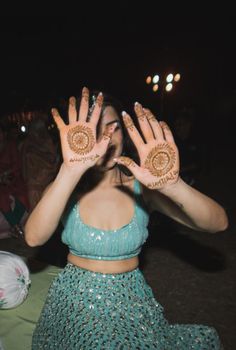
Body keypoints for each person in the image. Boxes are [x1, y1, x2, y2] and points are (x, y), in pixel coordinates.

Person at [25, 87, 228, 349]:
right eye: (95, 131)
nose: (106, 139)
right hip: (74, 302)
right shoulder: (67, 187)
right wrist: (69, 171)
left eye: (113, 128)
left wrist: (174, 185)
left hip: (130, 300)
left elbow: (217, 223)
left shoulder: (141, 188)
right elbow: (33, 237)